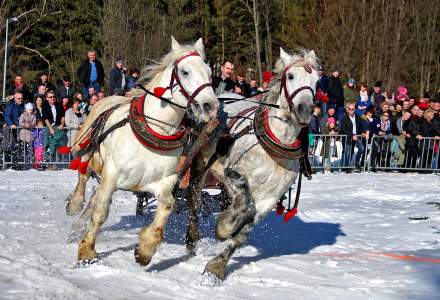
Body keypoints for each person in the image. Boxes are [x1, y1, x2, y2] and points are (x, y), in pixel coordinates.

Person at [42, 91, 66, 169]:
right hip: (48, 128)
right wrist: (50, 128)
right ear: (46, 98)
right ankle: (48, 164)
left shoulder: (59, 105)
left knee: (58, 145)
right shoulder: (45, 106)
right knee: (49, 145)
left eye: (53, 96)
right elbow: (45, 118)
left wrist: (62, 124)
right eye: (50, 97)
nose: (52, 98)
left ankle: (57, 163)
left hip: (57, 128)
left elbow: (62, 116)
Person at [340, 103, 365, 172]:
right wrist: (352, 135)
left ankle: (357, 163)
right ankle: (347, 167)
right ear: (348, 110)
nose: (351, 110)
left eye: (352, 109)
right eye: (349, 109)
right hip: (348, 138)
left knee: (362, 148)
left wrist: (363, 132)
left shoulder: (357, 117)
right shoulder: (344, 118)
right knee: (348, 153)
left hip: (356, 137)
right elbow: (343, 129)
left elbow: (361, 126)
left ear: (355, 109)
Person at [18, 103, 36, 168]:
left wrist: (30, 125)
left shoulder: (33, 116)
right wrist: (25, 125)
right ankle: (22, 162)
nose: (30, 111)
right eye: (29, 110)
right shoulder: (23, 115)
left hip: (30, 134)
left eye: (31, 110)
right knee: (23, 149)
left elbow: (34, 122)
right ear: (26, 110)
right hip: (23, 134)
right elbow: (20, 122)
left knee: (29, 149)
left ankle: (29, 163)